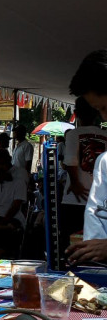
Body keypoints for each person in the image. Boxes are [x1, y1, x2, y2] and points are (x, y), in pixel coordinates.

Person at [66, 50, 107, 264]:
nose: (104, 117)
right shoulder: (104, 162)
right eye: (99, 110)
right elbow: (96, 224)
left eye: (105, 107)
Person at [60, 96, 107, 250]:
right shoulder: (105, 135)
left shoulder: (74, 134)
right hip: (99, 200)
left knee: (71, 243)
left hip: (75, 198)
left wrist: (76, 184)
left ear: (76, 113)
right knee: (94, 244)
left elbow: (71, 161)